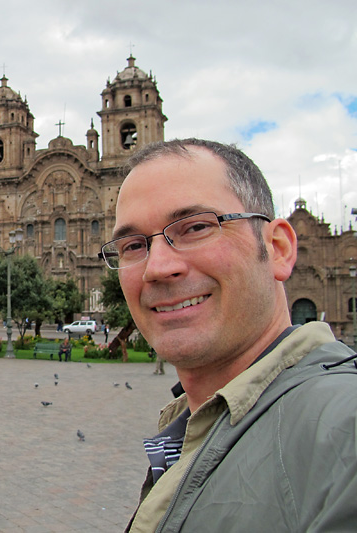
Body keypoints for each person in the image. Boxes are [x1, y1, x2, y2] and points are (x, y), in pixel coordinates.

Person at [98, 139, 357, 532]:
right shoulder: (189, 424)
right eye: (133, 245)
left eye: (197, 227)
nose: (157, 267)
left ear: (278, 248)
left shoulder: (342, 428)